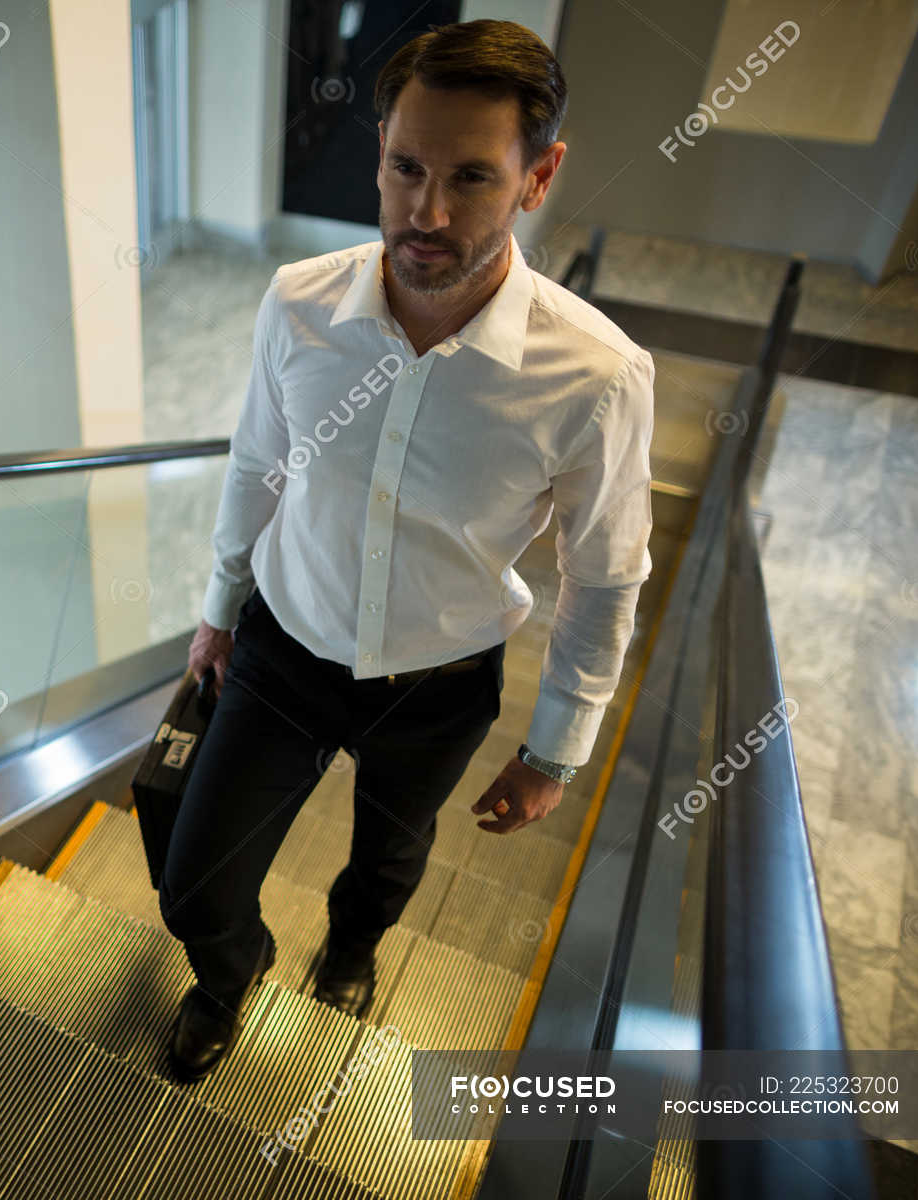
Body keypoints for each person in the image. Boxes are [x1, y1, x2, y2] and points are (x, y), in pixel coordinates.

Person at [159, 18, 655, 1084]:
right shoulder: (299, 302)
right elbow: (256, 461)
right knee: (194, 880)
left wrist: (557, 747)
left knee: (387, 856)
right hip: (282, 646)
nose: (426, 213)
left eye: (472, 176)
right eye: (405, 168)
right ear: (378, 146)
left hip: (438, 681)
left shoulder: (597, 378)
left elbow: (605, 574)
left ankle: (351, 951)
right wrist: (216, 605)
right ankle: (228, 975)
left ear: (539, 176)